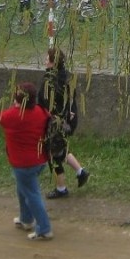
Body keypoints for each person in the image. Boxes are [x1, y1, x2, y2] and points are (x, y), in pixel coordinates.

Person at [0, 82, 53, 240]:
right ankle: (26, 219)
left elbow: (0, 118)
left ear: (17, 99)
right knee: (23, 190)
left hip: (23, 164)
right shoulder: (41, 112)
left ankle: (44, 229)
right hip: (40, 160)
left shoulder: (10, 116)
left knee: (32, 195)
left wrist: (15, 105)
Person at [40, 48, 89, 199]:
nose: (45, 61)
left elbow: (44, 101)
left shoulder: (50, 80)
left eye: (47, 59)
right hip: (68, 120)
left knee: (54, 154)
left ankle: (61, 189)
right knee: (61, 148)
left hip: (57, 123)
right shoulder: (66, 77)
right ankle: (81, 172)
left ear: (52, 63)